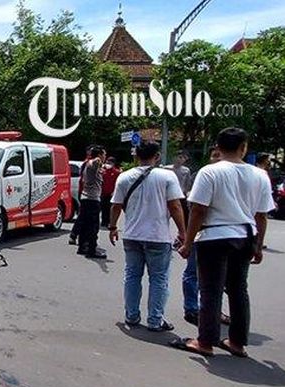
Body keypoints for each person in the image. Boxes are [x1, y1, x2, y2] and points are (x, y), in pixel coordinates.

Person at [173, 128, 275, 357]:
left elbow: (198, 209)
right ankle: (237, 343)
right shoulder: (260, 175)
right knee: (239, 290)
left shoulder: (210, 172)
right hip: (245, 236)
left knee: (211, 290)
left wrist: (188, 243)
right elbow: (261, 215)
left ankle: (205, 342)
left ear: (217, 147)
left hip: (215, 237)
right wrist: (258, 245)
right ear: (244, 147)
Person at [108, 142, 185, 331]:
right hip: (158, 236)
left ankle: (131, 316)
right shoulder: (167, 176)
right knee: (158, 279)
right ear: (157, 156)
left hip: (132, 235)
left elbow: (116, 205)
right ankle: (155, 320)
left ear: (136, 157)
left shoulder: (124, 177)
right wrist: (183, 232)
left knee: (132, 276)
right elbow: (175, 206)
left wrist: (112, 227)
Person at [182, 146, 225, 326]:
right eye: (214, 155)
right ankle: (192, 308)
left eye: (219, 155)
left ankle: (213, 311)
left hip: (222, 234)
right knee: (193, 272)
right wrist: (187, 238)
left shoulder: (232, 176)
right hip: (200, 231)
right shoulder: (201, 175)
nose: (216, 158)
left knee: (217, 278)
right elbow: (193, 207)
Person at [76, 146, 106, 259]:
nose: (104, 157)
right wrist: (98, 158)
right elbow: (97, 161)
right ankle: (92, 249)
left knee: (84, 224)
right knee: (93, 226)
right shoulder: (94, 163)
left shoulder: (87, 165)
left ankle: (82, 246)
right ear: (99, 155)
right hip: (92, 199)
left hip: (85, 198)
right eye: (104, 154)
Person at [69, 145, 95, 245]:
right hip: (85, 193)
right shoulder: (88, 163)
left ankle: (76, 236)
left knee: (83, 216)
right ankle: (77, 236)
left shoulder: (88, 163)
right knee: (83, 216)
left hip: (86, 192)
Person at [101, 157, 121, 228]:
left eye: (110, 163)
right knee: (104, 207)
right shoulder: (103, 171)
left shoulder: (117, 172)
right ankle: (104, 221)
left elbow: (118, 183)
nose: (108, 164)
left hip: (112, 193)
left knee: (110, 207)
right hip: (103, 192)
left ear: (114, 164)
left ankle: (110, 221)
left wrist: (114, 191)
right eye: (107, 162)